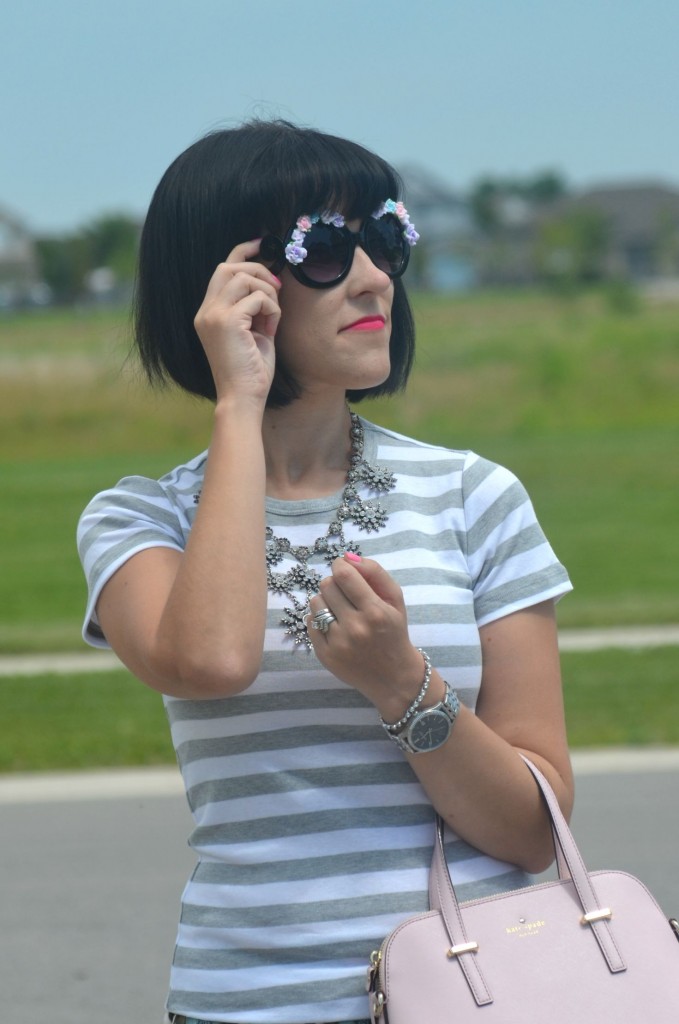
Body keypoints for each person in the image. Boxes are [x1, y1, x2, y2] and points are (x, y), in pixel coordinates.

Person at [77, 119, 574, 1024]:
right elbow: (212, 661)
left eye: (383, 240)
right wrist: (240, 403)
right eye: (327, 249)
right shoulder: (139, 519)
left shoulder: (474, 496)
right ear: (227, 285)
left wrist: (404, 686)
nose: (374, 275)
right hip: (246, 1000)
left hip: (477, 991)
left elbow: (534, 831)